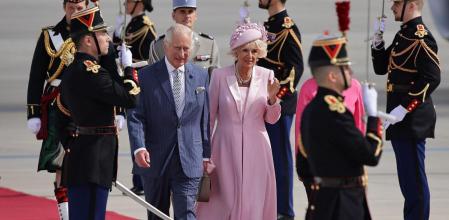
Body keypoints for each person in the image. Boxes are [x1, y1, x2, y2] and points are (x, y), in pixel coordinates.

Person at [26, 0, 123, 218]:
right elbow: (36, 76)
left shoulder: (96, 36)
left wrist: (120, 112)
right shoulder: (50, 36)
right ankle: (65, 214)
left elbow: (111, 79)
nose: (75, 11)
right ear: (64, 8)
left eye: (79, 8)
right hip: (58, 105)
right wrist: (33, 113)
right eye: (71, 8)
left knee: (86, 169)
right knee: (62, 164)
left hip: (90, 107)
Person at [58, 6, 139, 220]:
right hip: (94, 161)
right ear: (87, 40)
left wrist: (110, 60)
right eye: (101, 33)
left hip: (84, 158)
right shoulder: (91, 73)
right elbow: (130, 98)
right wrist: (129, 69)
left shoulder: (76, 69)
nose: (106, 38)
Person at [196, 21, 281, 220]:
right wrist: (204, 152)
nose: (249, 56)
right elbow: (208, 119)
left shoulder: (267, 75)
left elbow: (272, 119)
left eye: (254, 51)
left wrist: (272, 98)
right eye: (244, 50)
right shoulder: (219, 75)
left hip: (258, 148)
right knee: (223, 199)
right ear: (235, 52)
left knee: (254, 199)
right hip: (224, 147)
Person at [127, 23, 210, 220]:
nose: (182, 54)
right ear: (166, 46)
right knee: (157, 215)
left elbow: (204, 119)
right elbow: (136, 116)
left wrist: (206, 154)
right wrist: (138, 148)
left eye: (186, 48)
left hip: (189, 158)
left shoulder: (201, 75)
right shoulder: (145, 76)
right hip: (154, 160)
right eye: (178, 48)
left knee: (187, 214)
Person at [371, 0, 441, 219]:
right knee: (407, 180)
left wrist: (404, 108)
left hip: (411, 117)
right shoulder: (404, 35)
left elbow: (432, 78)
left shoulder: (421, 37)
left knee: (414, 182)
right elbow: (382, 68)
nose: (392, 7)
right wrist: (378, 41)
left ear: (411, 6)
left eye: (397, 3)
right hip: (399, 115)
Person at [301, 35, 383, 220]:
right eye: (345, 67)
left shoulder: (311, 109)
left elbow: (303, 163)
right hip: (342, 204)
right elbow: (370, 155)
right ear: (332, 75)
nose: (350, 71)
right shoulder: (336, 112)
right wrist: (373, 117)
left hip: (322, 200)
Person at [257, 0, 304, 219]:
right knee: (262, 157)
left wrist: (275, 97)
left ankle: (284, 210)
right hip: (261, 101)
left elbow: (295, 69)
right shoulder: (267, 27)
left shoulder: (287, 28)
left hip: (279, 104)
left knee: (279, 157)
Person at [295, 76, 366, 200]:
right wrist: (301, 161)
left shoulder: (354, 85)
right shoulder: (308, 87)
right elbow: (301, 128)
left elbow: (359, 124)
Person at [113, 0, 157, 196]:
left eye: (129, 1)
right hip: (128, 79)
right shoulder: (131, 24)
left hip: (139, 82)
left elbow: (150, 57)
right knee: (134, 130)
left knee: (139, 132)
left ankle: (143, 179)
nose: (125, 4)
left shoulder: (146, 27)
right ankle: (138, 180)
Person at [148, 0, 219, 73]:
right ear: (173, 15)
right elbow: (153, 76)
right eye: (182, 11)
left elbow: (216, 77)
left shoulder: (209, 45)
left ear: (196, 15)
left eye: (190, 11)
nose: (187, 16)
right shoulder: (158, 45)